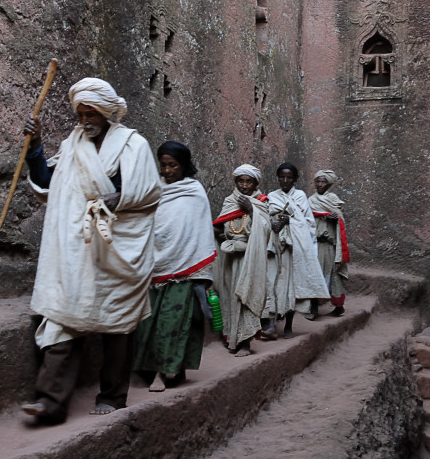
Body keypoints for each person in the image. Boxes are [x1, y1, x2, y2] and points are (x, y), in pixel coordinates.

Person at [20, 78, 162, 423]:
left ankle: (113, 395)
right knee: (63, 315)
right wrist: (35, 146)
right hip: (77, 249)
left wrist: (118, 198)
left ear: (106, 112)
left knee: (117, 324)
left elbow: (148, 192)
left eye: (91, 113)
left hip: (120, 248)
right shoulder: (72, 145)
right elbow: (48, 184)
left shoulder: (134, 145)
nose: (85, 120)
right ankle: (51, 403)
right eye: (80, 114)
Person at [133, 141, 216, 392]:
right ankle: (165, 369)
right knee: (148, 323)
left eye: (173, 165)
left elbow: (198, 231)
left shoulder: (194, 192)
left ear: (184, 166)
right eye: (164, 165)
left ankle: (163, 373)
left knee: (172, 323)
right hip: (154, 267)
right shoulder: (153, 189)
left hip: (183, 269)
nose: (167, 171)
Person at [212, 164, 272, 356]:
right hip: (230, 258)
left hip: (250, 257)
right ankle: (232, 338)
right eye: (240, 181)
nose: (244, 185)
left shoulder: (261, 202)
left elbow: (266, 229)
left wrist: (251, 210)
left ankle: (245, 342)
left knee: (245, 295)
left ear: (255, 184)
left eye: (249, 182)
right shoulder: (229, 201)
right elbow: (222, 227)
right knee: (230, 296)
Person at [267, 162, 330, 338]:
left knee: (291, 288)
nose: (285, 180)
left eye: (289, 177)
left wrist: (290, 222)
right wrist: (273, 224)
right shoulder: (272, 196)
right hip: (276, 248)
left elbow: (308, 223)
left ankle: (288, 326)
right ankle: (271, 323)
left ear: (295, 179)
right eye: (282, 177)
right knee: (272, 284)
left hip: (294, 251)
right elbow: (266, 219)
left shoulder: (300, 196)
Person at [308, 169, 350, 317]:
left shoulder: (332, 200)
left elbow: (340, 218)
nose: (320, 184)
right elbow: (305, 218)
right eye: (317, 181)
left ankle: (337, 306)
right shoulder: (310, 200)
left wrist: (334, 218)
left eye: (323, 182)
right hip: (314, 243)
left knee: (332, 274)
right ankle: (313, 307)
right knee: (314, 274)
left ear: (329, 184)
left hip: (328, 244)